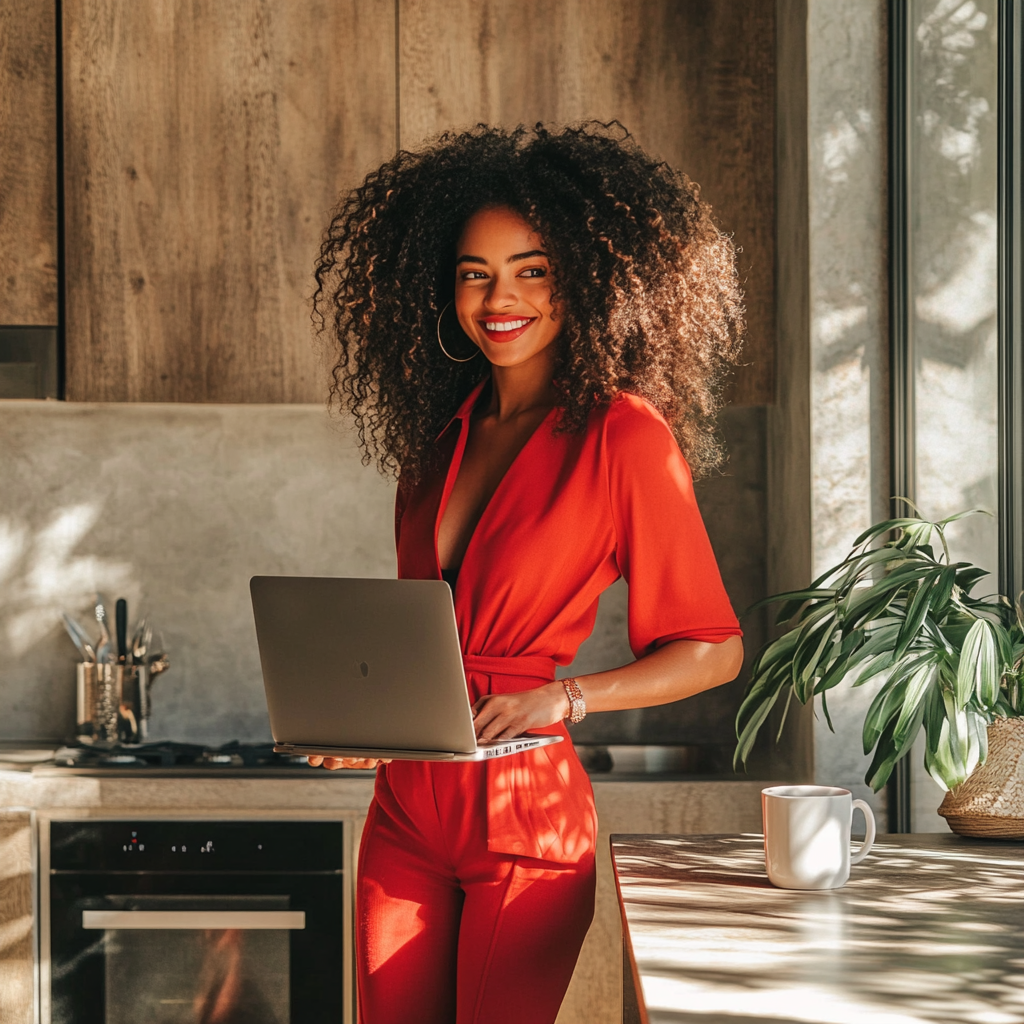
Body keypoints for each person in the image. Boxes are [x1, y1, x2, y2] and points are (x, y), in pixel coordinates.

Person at [309, 122, 745, 1024]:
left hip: (524, 806)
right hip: (406, 808)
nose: (499, 297)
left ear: (584, 278)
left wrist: (569, 698)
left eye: (531, 268)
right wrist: (378, 724)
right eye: (475, 272)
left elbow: (715, 648)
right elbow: (432, 641)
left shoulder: (623, 434)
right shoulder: (437, 444)